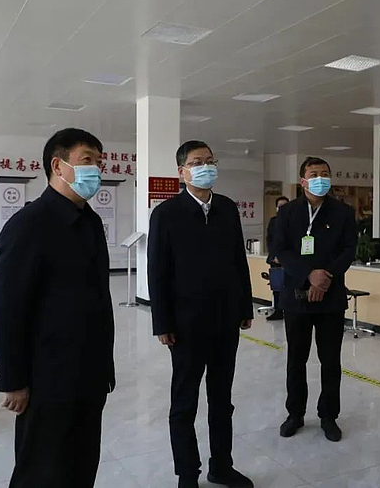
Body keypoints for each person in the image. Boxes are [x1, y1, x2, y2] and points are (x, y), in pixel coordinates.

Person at [0, 128, 115, 488]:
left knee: (82, 464)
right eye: (87, 160)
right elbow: (7, 309)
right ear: (58, 166)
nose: (96, 169)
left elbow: (98, 299)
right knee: (42, 471)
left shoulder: (90, 221)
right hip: (47, 378)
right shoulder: (29, 225)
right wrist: (13, 381)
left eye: (99, 162)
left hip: (89, 373)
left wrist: (105, 367)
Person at [148, 140, 254, 488]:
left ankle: (221, 466)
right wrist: (162, 322)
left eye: (210, 160)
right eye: (197, 162)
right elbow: (157, 272)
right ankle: (187, 473)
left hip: (225, 321)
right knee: (184, 403)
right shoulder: (166, 214)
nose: (205, 167)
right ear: (182, 172)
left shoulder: (227, 208)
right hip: (186, 325)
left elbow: (238, 260)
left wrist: (245, 306)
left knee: (222, 400)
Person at [273, 157, 357, 442]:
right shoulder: (288, 212)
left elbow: (349, 249)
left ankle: (328, 415)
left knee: (330, 360)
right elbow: (280, 249)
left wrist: (325, 277)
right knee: (296, 360)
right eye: (313, 174)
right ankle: (295, 414)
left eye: (324, 173)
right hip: (296, 297)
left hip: (331, 298)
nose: (320, 178)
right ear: (303, 181)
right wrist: (309, 275)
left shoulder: (343, 212)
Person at [265, 195, 289, 320]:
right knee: (277, 287)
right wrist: (275, 255)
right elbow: (270, 240)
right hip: (275, 260)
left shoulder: (294, 221)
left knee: (289, 287)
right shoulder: (273, 221)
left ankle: (288, 311)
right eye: (280, 206)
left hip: (289, 261)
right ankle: (278, 310)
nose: (282, 208)